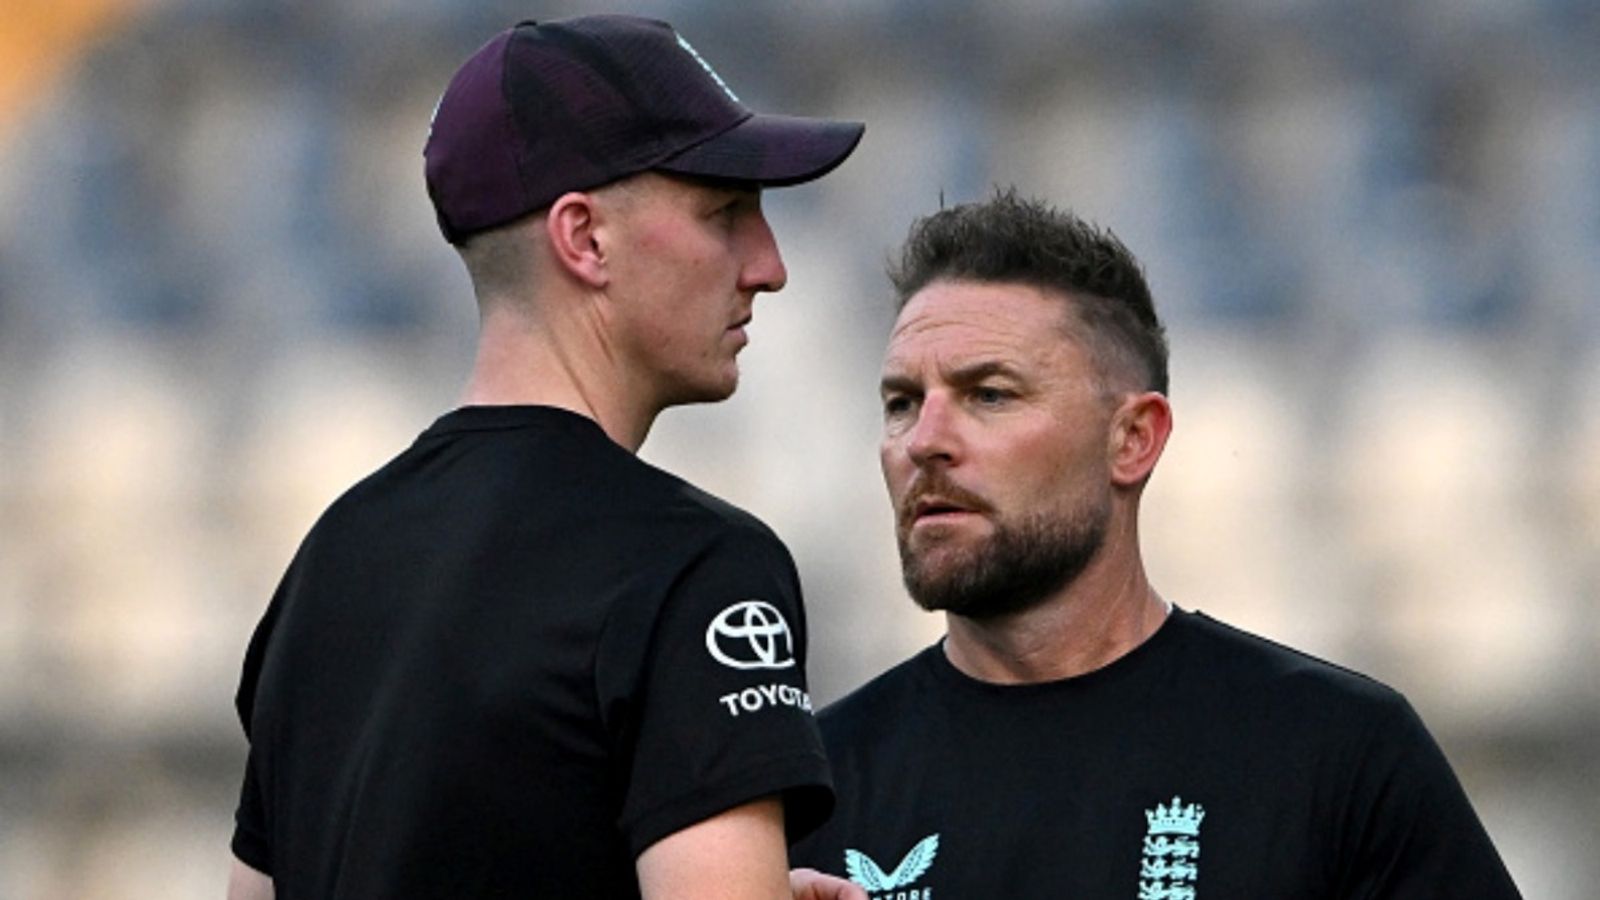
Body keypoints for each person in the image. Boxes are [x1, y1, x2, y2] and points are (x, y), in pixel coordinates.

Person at [227, 15, 868, 900]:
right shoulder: (697, 569)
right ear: (585, 238)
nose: (769, 264)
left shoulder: (332, 558)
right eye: (725, 212)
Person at [790, 191, 1524, 898]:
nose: (924, 442)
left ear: (1133, 439)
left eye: (990, 395)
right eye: (902, 403)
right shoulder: (810, 795)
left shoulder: (1333, 753)